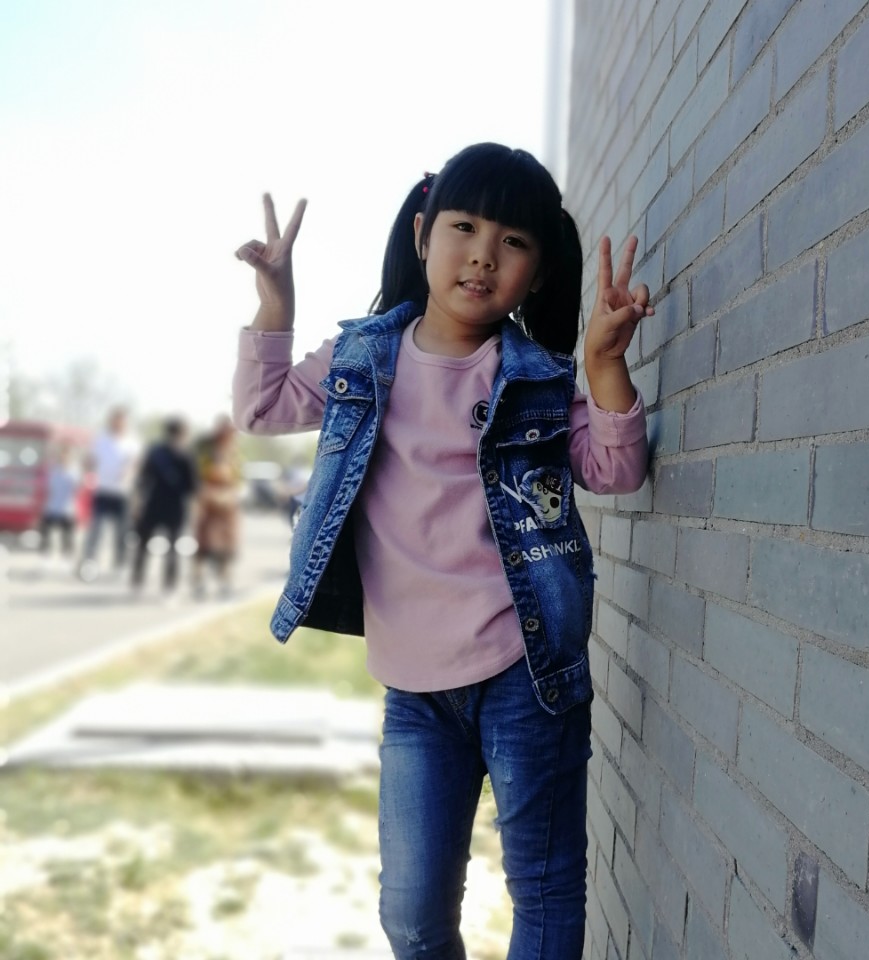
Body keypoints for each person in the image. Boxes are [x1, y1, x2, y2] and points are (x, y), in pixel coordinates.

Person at [231, 143, 653, 960]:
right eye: (465, 227)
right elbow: (262, 406)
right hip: (415, 688)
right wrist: (276, 302)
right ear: (424, 234)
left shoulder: (534, 379)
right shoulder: (362, 359)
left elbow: (616, 468)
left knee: (544, 887)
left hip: (526, 672)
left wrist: (605, 363)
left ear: (536, 270)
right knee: (413, 917)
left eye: (513, 241)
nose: (483, 255)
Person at [129, 417, 197, 598]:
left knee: (148, 545)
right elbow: (193, 487)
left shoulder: (157, 452)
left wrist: (137, 502)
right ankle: (166, 586)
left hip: (157, 503)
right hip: (171, 506)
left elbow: (143, 480)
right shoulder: (185, 454)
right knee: (168, 547)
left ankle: (140, 582)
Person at [79, 407, 141, 578]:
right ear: (111, 421)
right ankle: (89, 562)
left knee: (122, 532)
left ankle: (120, 564)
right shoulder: (101, 440)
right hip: (103, 490)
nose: (119, 423)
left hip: (122, 493)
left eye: (122, 420)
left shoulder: (132, 442)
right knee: (96, 529)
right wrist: (86, 474)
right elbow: (89, 460)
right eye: (116, 420)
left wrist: (129, 473)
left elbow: (135, 464)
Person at [191, 414, 243, 599]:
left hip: (227, 506)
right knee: (204, 546)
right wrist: (208, 495)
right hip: (208, 504)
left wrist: (232, 494)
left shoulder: (234, 452)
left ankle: (225, 582)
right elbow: (197, 477)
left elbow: (237, 479)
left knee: (227, 547)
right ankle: (198, 582)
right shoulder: (206, 451)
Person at [38, 445, 81, 559]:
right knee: (45, 530)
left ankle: (66, 554)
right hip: (52, 506)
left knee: (67, 534)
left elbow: (77, 488)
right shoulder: (53, 470)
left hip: (67, 508)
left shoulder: (73, 472)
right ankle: (45, 552)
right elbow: (47, 487)